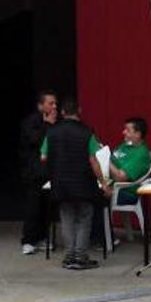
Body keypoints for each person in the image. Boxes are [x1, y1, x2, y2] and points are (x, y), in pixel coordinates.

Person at [40, 97, 107, 270]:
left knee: (67, 218)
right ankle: (80, 256)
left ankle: (68, 256)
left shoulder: (52, 132)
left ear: (62, 112)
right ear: (79, 111)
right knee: (84, 217)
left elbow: (43, 157)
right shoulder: (87, 132)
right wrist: (103, 183)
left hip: (60, 183)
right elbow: (94, 161)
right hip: (84, 183)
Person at [19, 90, 58, 255]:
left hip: (51, 171)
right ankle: (28, 240)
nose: (54, 106)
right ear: (40, 105)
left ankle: (43, 238)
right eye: (50, 103)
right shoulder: (30, 122)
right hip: (34, 171)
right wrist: (48, 125)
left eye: (55, 103)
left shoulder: (58, 121)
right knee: (33, 206)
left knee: (47, 207)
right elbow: (36, 141)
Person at [108, 116, 151, 207]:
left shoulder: (141, 155)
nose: (123, 132)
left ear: (138, 134)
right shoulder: (126, 145)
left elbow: (120, 177)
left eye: (128, 130)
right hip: (109, 184)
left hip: (125, 192)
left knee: (89, 194)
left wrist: (104, 159)